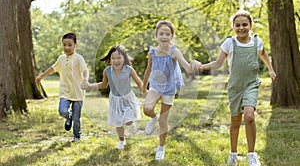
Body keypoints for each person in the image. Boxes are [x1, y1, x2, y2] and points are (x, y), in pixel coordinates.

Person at [192, 10, 276, 166]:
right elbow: (218, 63)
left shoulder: (257, 42)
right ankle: (233, 153)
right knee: (235, 121)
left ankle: (252, 154)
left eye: (245, 24)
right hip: (235, 87)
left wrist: (270, 69)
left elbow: (263, 54)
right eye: (238, 25)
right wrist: (202, 67)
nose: (241, 28)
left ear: (251, 25)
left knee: (249, 116)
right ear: (233, 26)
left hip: (251, 84)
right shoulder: (229, 43)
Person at [142, 20, 194, 161]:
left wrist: (194, 65)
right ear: (156, 35)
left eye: (167, 34)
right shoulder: (152, 52)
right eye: (161, 34)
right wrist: (143, 86)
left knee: (164, 120)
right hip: (155, 86)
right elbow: (148, 70)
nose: (164, 37)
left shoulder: (174, 51)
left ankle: (161, 147)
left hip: (169, 88)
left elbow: (187, 67)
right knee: (147, 109)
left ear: (172, 36)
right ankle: (154, 117)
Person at [81, 45, 143, 150]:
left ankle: (132, 125)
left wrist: (145, 91)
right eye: (113, 58)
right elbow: (103, 85)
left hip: (128, 99)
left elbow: (139, 82)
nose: (116, 60)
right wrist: (89, 85)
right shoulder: (107, 71)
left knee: (128, 120)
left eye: (119, 57)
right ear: (109, 60)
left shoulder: (129, 70)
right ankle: (122, 141)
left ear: (124, 58)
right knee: (118, 122)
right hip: (115, 100)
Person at [36, 32, 89, 142]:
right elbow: (52, 68)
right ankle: (68, 117)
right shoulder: (61, 59)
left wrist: (85, 80)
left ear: (76, 45)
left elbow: (85, 71)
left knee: (77, 118)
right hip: (65, 92)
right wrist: (41, 76)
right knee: (62, 111)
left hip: (78, 93)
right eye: (64, 45)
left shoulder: (79, 58)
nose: (67, 47)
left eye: (70, 45)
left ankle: (77, 136)